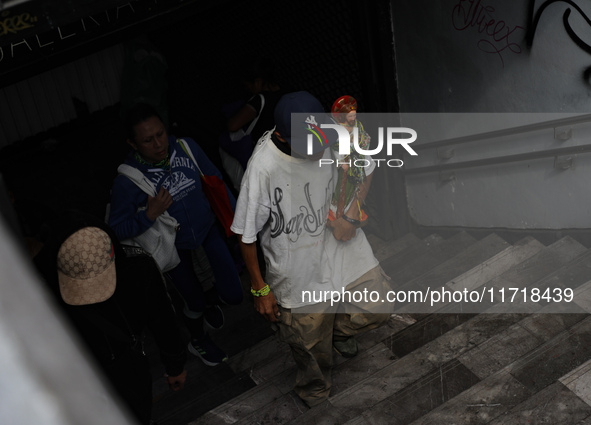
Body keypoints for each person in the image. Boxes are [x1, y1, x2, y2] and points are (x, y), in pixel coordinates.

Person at [231, 91, 392, 407]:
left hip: (341, 243)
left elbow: (366, 167)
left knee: (378, 306)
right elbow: (245, 234)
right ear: (282, 136)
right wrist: (260, 289)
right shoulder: (263, 168)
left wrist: (350, 214)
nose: (317, 152)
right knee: (311, 352)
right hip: (297, 266)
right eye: (307, 147)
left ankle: (337, 332)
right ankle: (316, 397)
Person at [108, 103, 243, 366]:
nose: (159, 144)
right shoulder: (127, 180)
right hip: (172, 247)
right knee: (193, 302)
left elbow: (215, 180)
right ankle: (198, 340)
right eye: (148, 140)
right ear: (132, 144)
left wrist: (239, 224)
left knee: (234, 294)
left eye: (160, 134)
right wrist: (149, 215)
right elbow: (115, 230)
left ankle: (210, 302)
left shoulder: (186, 147)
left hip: (207, 231)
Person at [34, 211, 187, 425]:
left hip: (130, 368)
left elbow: (163, 320)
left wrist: (175, 364)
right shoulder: (36, 289)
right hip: (79, 377)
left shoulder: (138, 268)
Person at [329, 95, 372, 223]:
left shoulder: (359, 130)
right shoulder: (333, 136)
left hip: (354, 185)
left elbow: (368, 166)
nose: (353, 118)